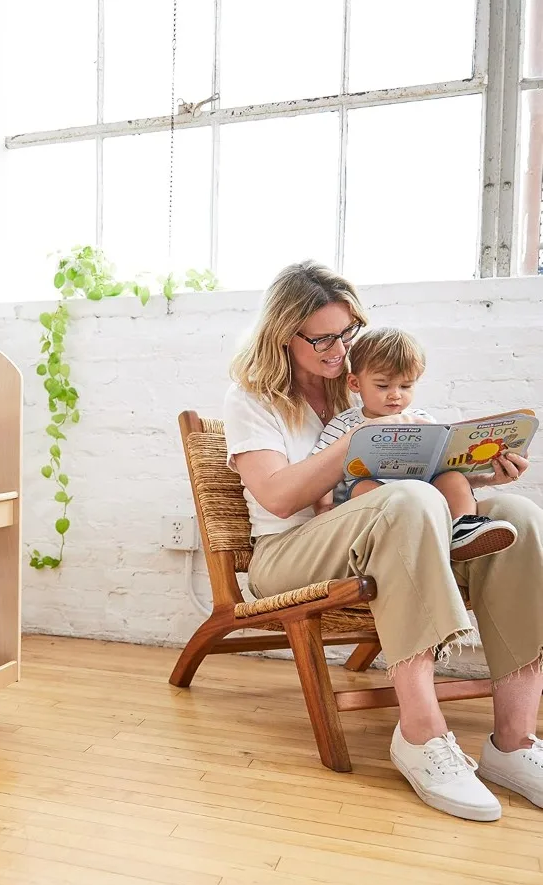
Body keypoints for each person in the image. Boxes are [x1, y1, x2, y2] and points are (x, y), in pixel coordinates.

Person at [222, 260, 543, 822]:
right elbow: (276, 497)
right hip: (290, 554)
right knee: (411, 502)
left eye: (347, 333)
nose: (338, 348)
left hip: (392, 533)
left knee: (519, 515)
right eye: (321, 337)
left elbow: (418, 472)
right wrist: (360, 444)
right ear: (282, 334)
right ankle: (421, 735)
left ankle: (512, 744)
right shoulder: (253, 399)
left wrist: (484, 470)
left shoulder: (365, 384)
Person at [310, 325, 518, 562]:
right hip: (374, 503)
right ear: (355, 383)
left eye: (406, 386)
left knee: (453, 477)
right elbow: (320, 467)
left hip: (424, 498)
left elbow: (443, 465)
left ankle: (462, 530)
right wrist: (323, 508)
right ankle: (405, 535)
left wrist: (485, 473)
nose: (396, 394)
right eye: (383, 385)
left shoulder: (422, 420)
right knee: (362, 487)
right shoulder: (345, 423)